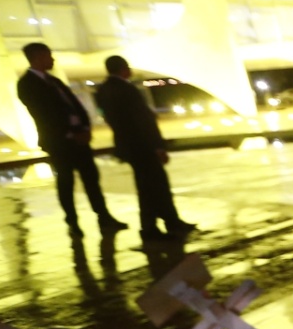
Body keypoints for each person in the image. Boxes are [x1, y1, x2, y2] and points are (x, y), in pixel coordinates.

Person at [16, 42, 124, 236]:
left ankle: (103, 216)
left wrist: (84, 128)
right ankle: (73, 222)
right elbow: (44, 113)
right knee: (66, 182)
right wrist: (70, 132)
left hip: (78, 138)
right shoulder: (27, 84)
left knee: (91, 179)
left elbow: (73, 106)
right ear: (38, 57)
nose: (53, 59)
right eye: (49, 55)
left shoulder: (54, 81)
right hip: (59, 141)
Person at [94, 56, 194, 244]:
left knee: (149, 186)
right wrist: (158, 147)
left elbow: (107, 116)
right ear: (124, 69)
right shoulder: (127, 89)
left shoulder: (103, 90)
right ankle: (153, 228)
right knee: (154, 186)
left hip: (128, 146)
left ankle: (168, 222)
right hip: (143, 146)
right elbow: (142, 121)